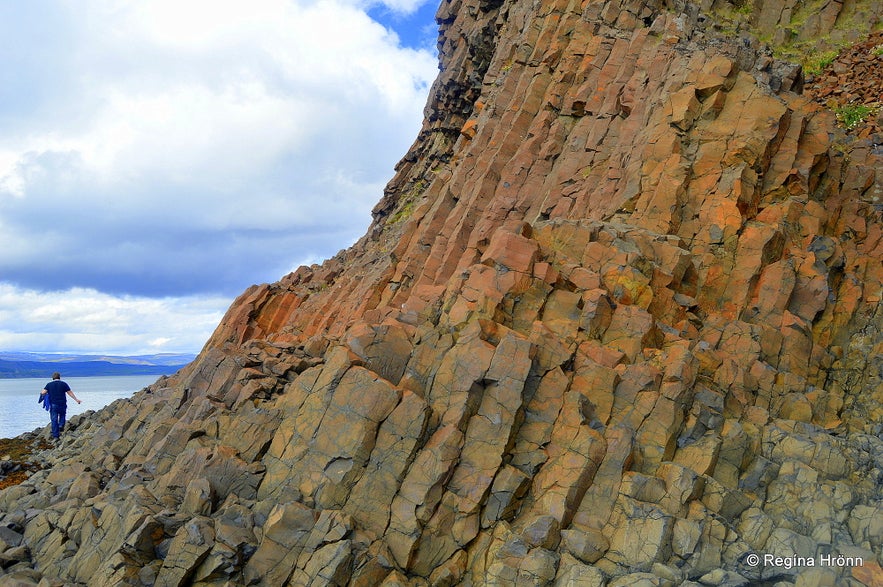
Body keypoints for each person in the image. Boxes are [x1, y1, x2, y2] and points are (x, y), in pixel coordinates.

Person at [40, 372, 81, 440]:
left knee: (54, 420)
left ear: (53, 377)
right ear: (59, 377)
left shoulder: (49, 385)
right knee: (62, 415)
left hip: (54, 404)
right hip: (62, 403)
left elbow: (43, 392)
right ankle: (61, 425)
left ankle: (56, 436)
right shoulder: (64, 384)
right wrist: (76, 400)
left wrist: (45, 394)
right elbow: (69, 393)